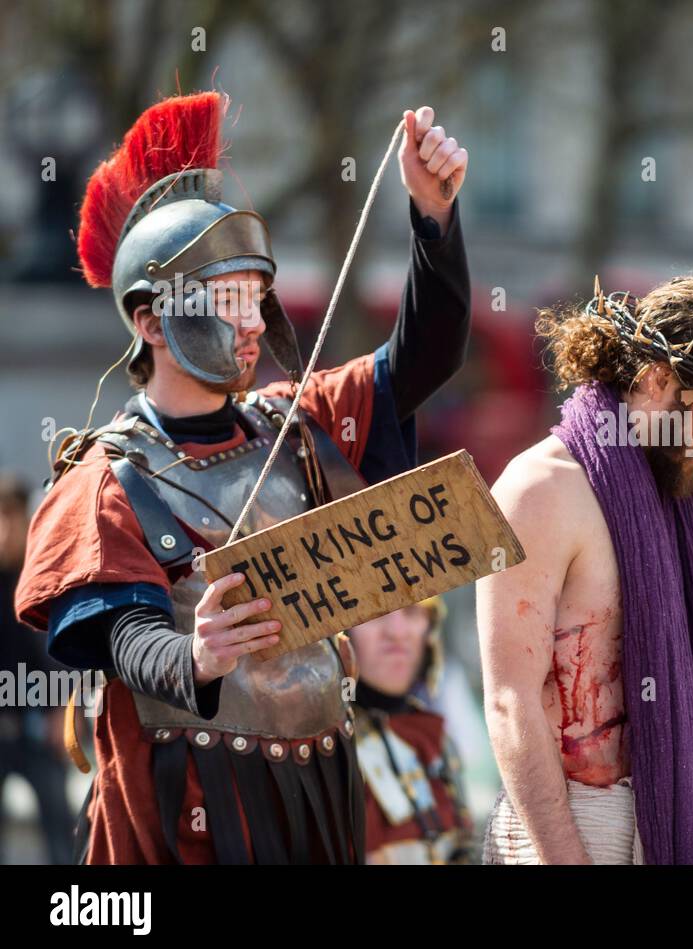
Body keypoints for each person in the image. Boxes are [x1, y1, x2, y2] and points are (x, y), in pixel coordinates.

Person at [13, 92, 471, 864]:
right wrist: (196, 657)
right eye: (229, 298)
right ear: (152, 320)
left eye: (256, 296)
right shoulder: (102, 481)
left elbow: (424, 358)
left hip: (317, 807)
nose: (254, 320)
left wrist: (433, 221)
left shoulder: (300, 422)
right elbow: (129, 639)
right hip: (183, 819)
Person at [476, 276, 693, 864]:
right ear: (657, 379)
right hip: (571, 827)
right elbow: (511, 700)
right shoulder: (541, 490)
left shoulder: (667, 491)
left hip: (674, 821)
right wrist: (563, 857)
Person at [348, 598, 475, 864]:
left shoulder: (435, 737)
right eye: (374, 612)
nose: (397, 632)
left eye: (412, 611)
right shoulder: (319, 746)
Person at [0, 473, 75, 863]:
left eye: (9, 517)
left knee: (60, 834)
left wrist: (63, 713)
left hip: (39, 724)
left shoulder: (41, 577)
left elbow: (62, 650)